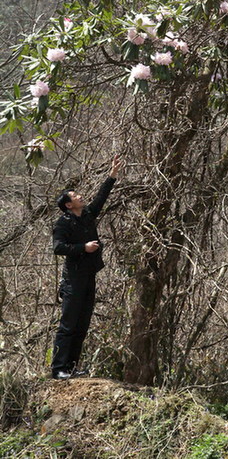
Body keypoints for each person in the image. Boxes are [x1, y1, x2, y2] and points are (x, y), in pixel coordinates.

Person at [51, 155, 122, 380]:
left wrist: (112, 175)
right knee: (68, 325)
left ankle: (71, 368)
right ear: (68, 205)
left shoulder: (87, 216)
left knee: (82, 325)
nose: (80, 196)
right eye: (75, 196)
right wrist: (84, 247)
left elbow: (101, 198)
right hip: (73, 279)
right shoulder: (63, 223)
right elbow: (58, 247)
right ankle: (58, 368)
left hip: (89, 276)